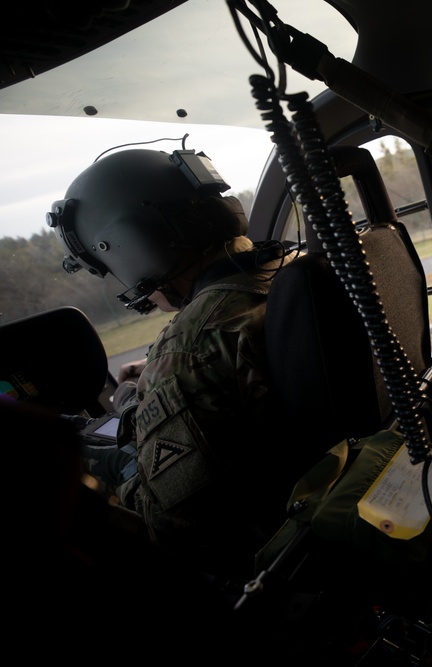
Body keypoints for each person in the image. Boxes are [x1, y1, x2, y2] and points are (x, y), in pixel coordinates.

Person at [48, 147, 302, 580]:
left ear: (132, 244)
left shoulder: (186, 348)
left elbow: (174, 531)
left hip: (268, 558)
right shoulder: (292, 266)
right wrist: (148, 395)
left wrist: (110, 468)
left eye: (111, 263)